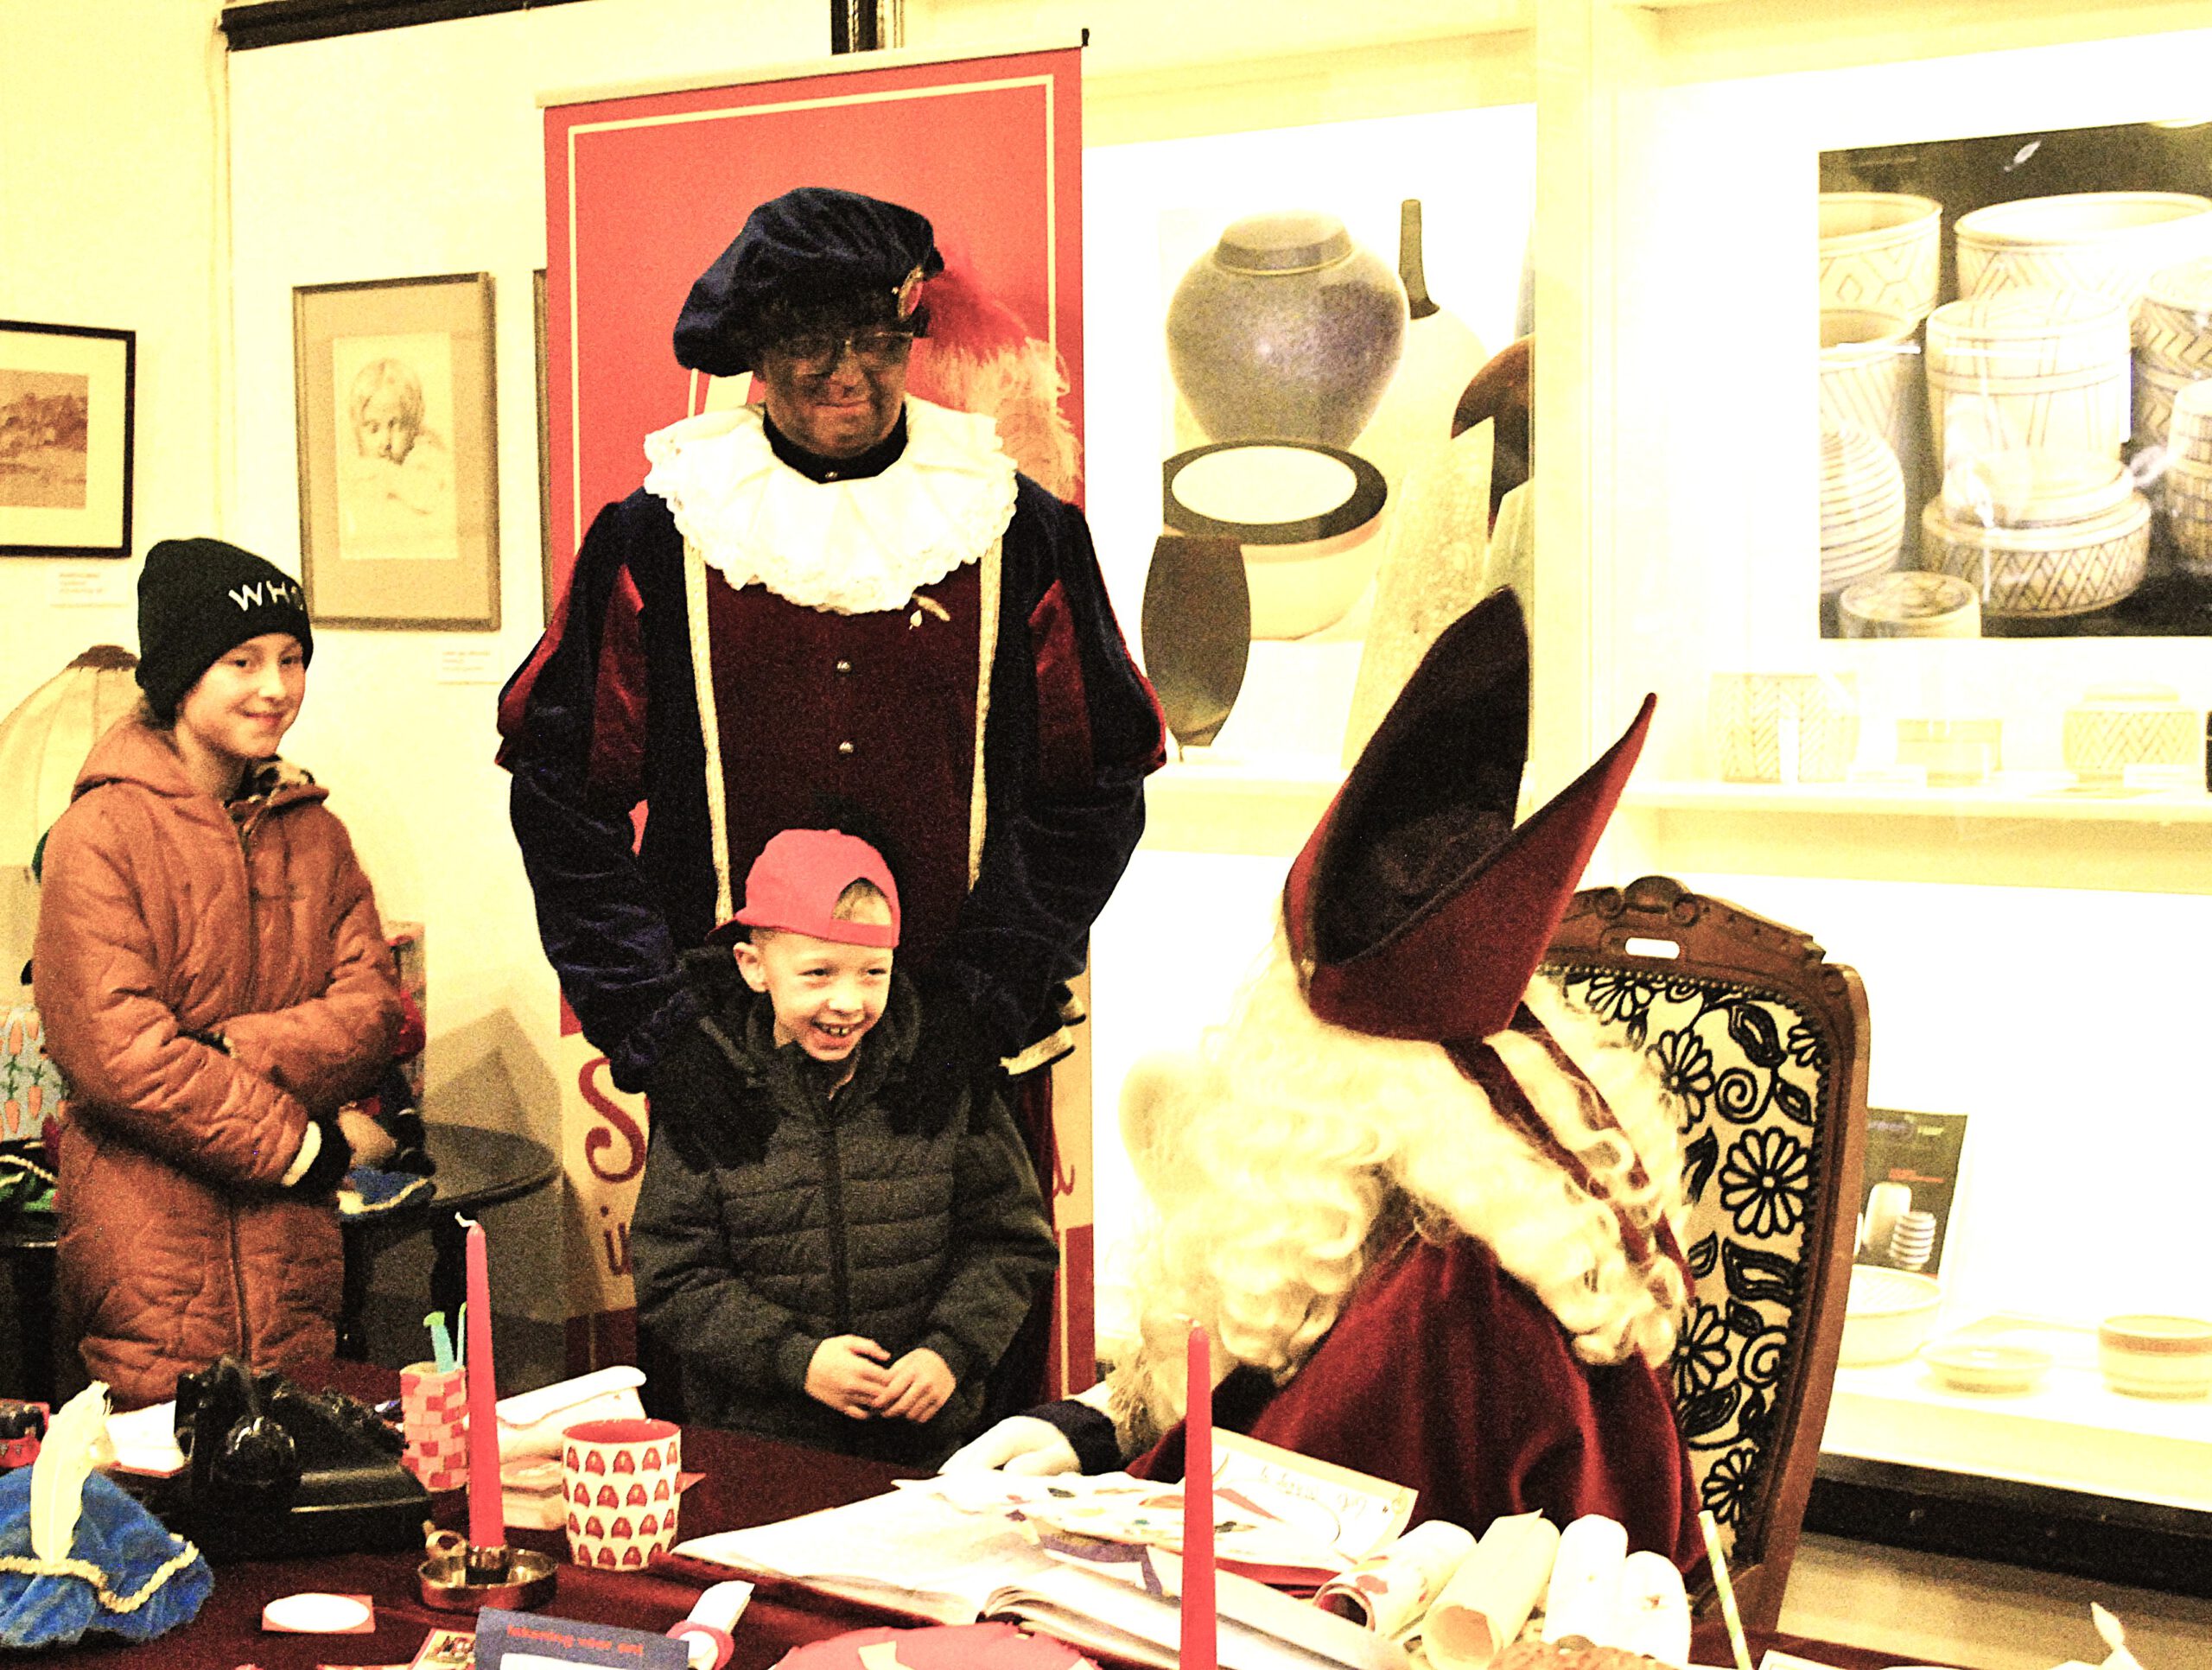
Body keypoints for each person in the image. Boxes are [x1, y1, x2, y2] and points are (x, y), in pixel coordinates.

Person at [946, 593, 1700, 1565]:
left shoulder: (1446, 1296)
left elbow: (1271, 1537)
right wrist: (1092, 1427)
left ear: (1306, 1054)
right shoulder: (1480, 1185)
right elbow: (1265, 1384)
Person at [498, 185, 1163, 1112]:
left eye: (875, 337)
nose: (846, 371)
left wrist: (986, 994)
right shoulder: (656, 536)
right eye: (811, 337)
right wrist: (656, 1021)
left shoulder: (1020, 533)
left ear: (908, 338)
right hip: (728, 1057)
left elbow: (1095, 786)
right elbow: (563, 794)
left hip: (956, 1057)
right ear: (758, 347)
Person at [33, 537, 404, 1409]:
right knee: (159, 1477)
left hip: (294, 1267)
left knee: (303, 1462)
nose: (276, 687)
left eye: (291, 658)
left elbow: (372, 1014)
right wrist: (300, 1147)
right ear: (180, 675)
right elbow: (122, 1057)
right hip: (147, 1262)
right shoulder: (98, 835)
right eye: (243, 660)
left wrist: (234, 1046)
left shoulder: (316, 833)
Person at [630, 826, 1058, 1464]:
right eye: (818, 974)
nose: (848, 1002)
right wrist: (794, 1359)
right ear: (753, 966)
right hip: (761, 1443)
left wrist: (951, 1351)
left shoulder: (943, 1082)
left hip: (922, 1446)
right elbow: (672, 1274)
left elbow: (1011, 1242)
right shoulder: (709, 1094)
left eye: (873, 973)